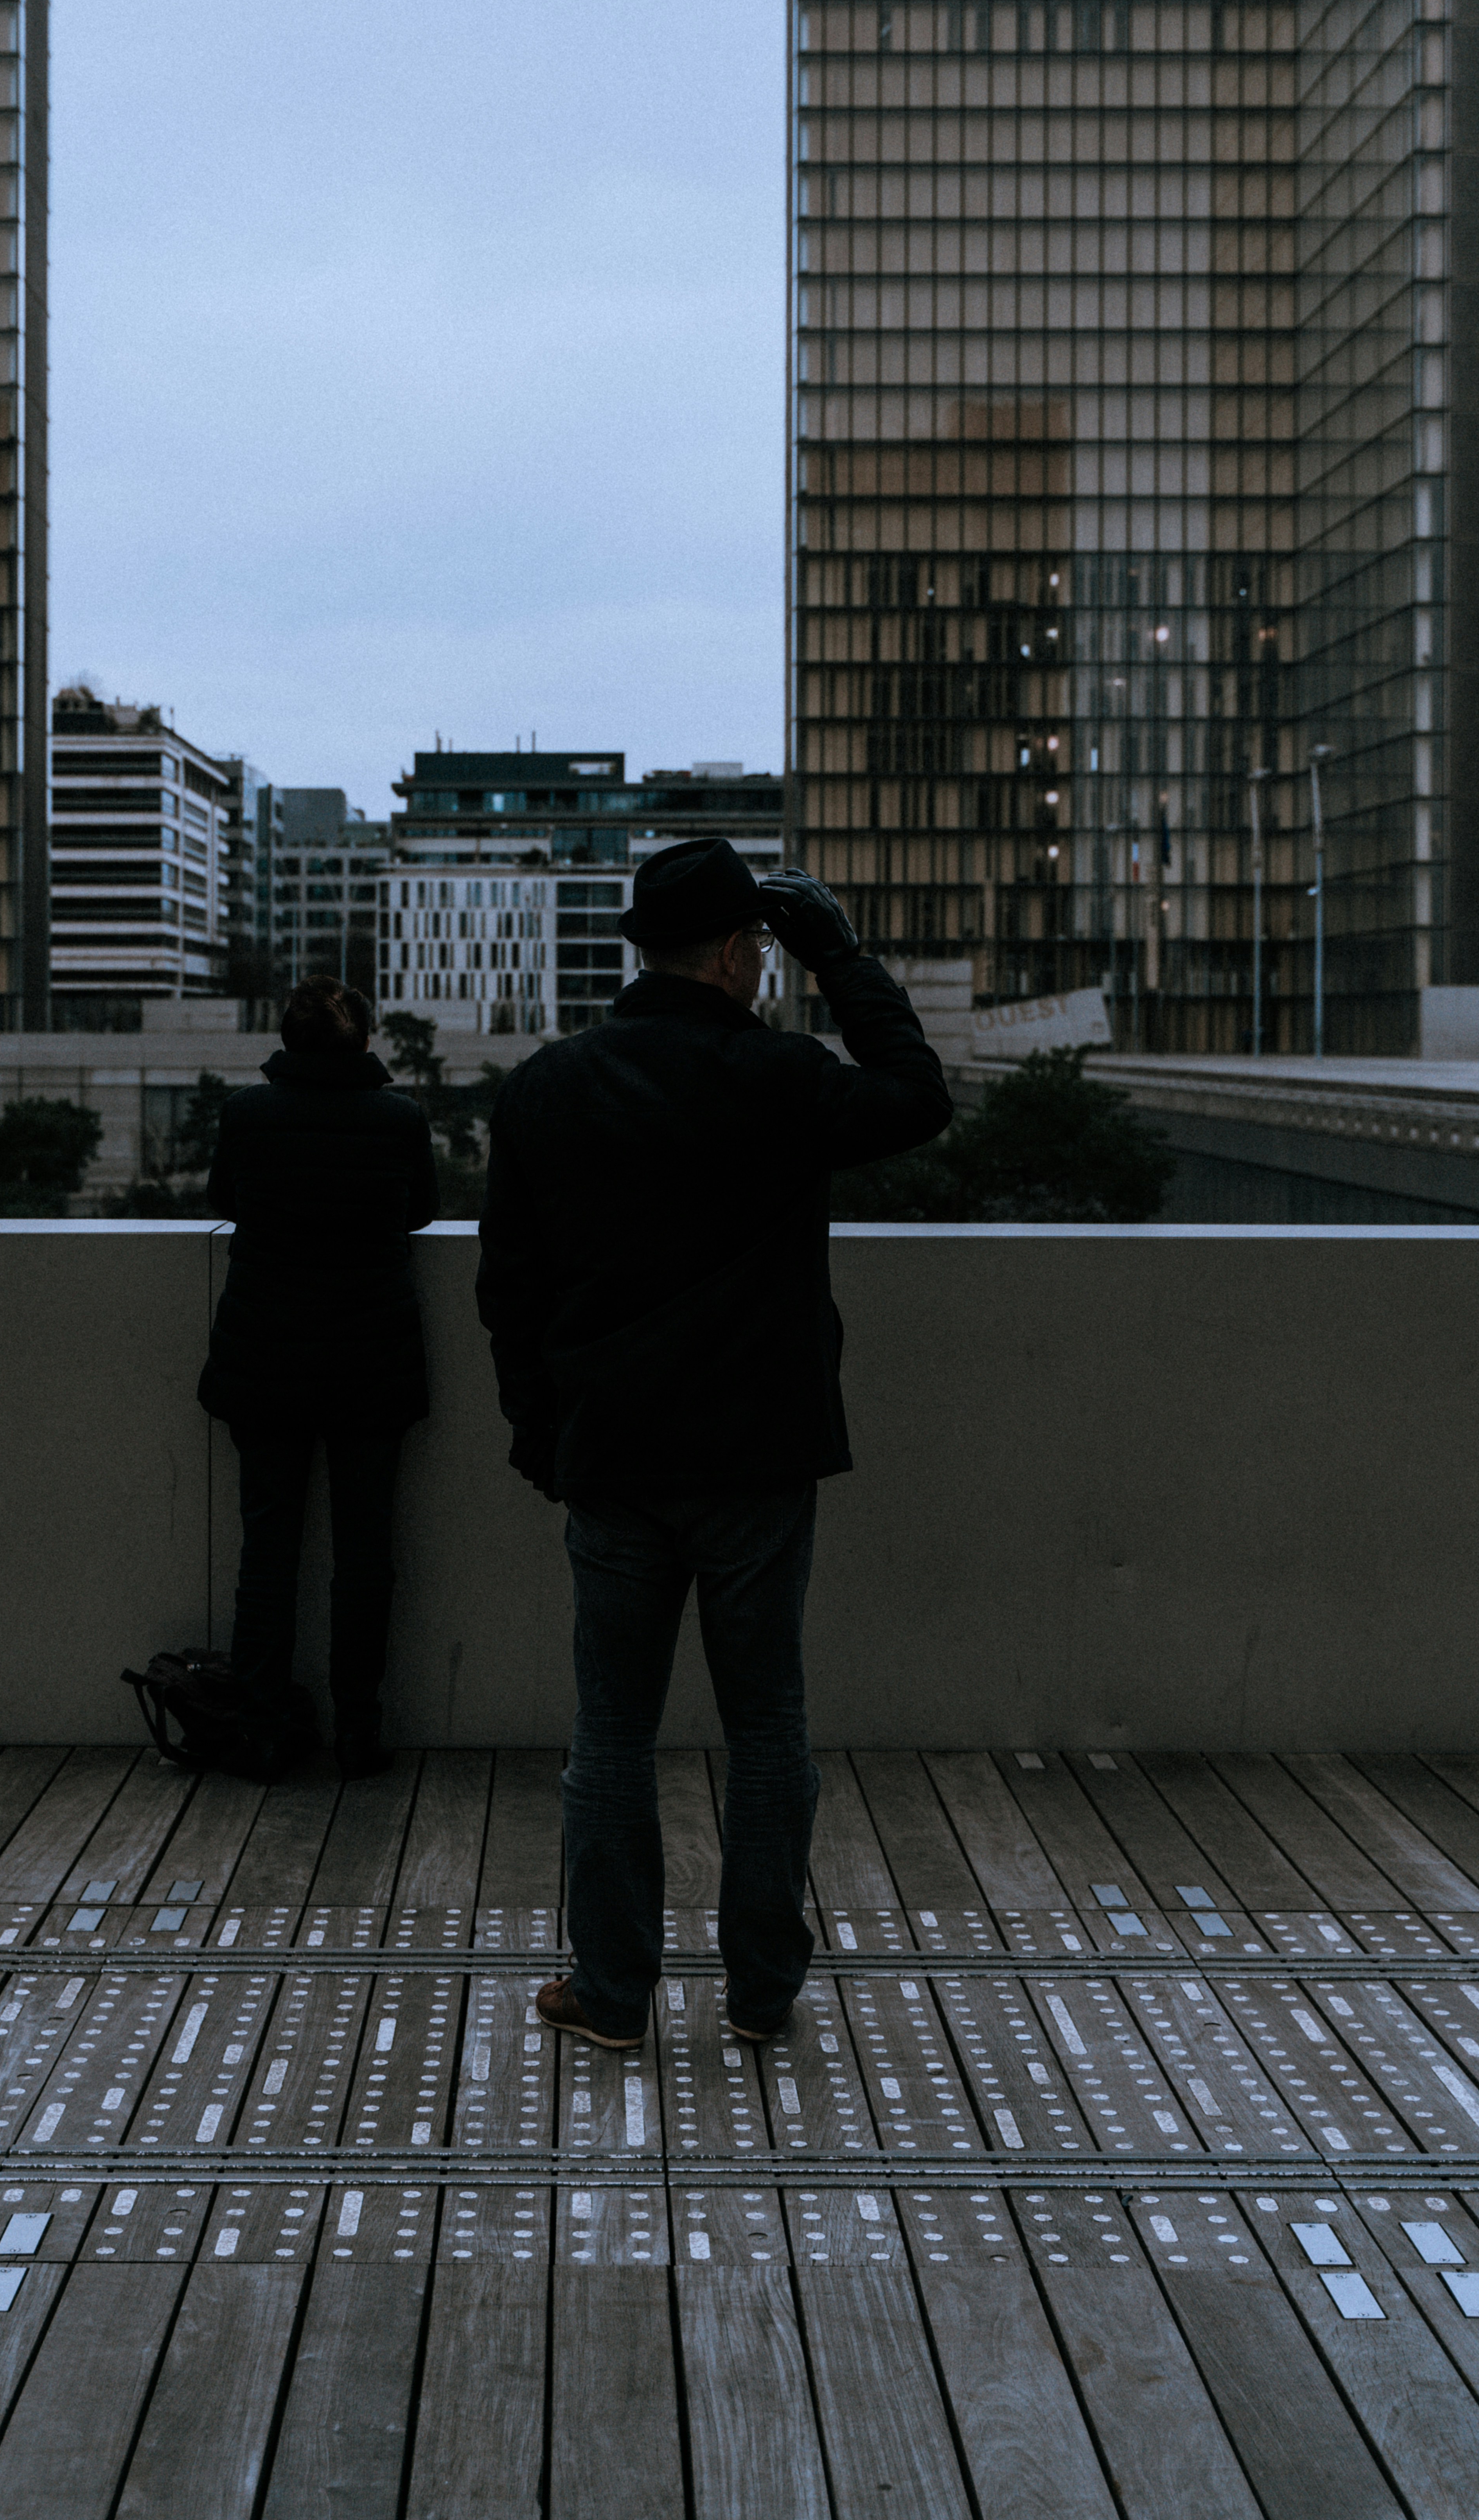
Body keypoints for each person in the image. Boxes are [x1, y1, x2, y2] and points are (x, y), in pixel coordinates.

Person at [476, 838, 950, 2049]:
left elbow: (508, 1291)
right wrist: (839, 954)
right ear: (743, 956)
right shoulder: (781, 1076)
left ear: (648, 948)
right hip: (757, 1453)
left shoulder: (545, 1086)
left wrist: (545, 1431)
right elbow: (918, 1094)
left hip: (615, 1455)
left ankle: (617, 1991)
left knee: (613, 1739)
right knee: (769, 1731)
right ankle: (761, 1992)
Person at [199, 973, 440, 1778]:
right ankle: (360, 1729)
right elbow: (421, 1213)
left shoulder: (247, 1115)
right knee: (365, 1552)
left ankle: (264, 1729)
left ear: (286, 1042)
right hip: (370, 1358)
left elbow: (224, 1197)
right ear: (365, 1040)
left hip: (266, 1355)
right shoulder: (400, 1118)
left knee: (268, 1548)